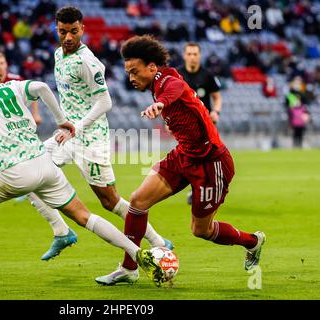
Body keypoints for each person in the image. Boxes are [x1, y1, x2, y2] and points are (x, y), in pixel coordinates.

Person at [0, 65, 159, 286]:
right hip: (45, 164)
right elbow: (43, 87)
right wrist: (62, 121)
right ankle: (139, 253)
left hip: (14, 170)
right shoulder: (13, 86)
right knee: (85, 216)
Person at [97, 35, 266, 287]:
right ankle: (129, 267)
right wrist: (160, 102)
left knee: (201, 231)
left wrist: (161, 104)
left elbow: (175, 88)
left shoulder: (168, 82)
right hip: (184, 155)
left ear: (152, 68)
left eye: (135, 71)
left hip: (211, 163)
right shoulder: (161, 79)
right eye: (128, 72)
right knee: (137, 201)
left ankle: (252, 241)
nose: (130, 78)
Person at [25, 6, 173, 269]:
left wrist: (78, 126)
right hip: (67, 135)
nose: (68, 37)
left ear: (82, 29)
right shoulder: (59, 54)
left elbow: (105, 102)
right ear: (56, 30)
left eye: (73, 31)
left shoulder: (88, 62)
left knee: (110, 201)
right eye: (62, 32)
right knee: (29, 170)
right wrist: (66, 125)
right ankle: (61, 232)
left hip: (90, 138)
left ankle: (158, 241)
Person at [178, 42, 222, 205]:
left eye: (195, 54)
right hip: (185, 126)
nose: (192, 57)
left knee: (208, 158)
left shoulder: (208, 75)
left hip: (206, 125)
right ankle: (196, 189)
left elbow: (217, 96)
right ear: (184, 56)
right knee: (190, 159)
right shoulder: (177, 75)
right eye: (189, 54)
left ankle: (204, 189)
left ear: (200, 56)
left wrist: (216, 112)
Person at [0, 51, 42, 125]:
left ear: (6, 64)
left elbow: (33, 93)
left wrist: (35, 114)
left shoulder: (16, 80)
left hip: (18, 120)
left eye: (2, 63)